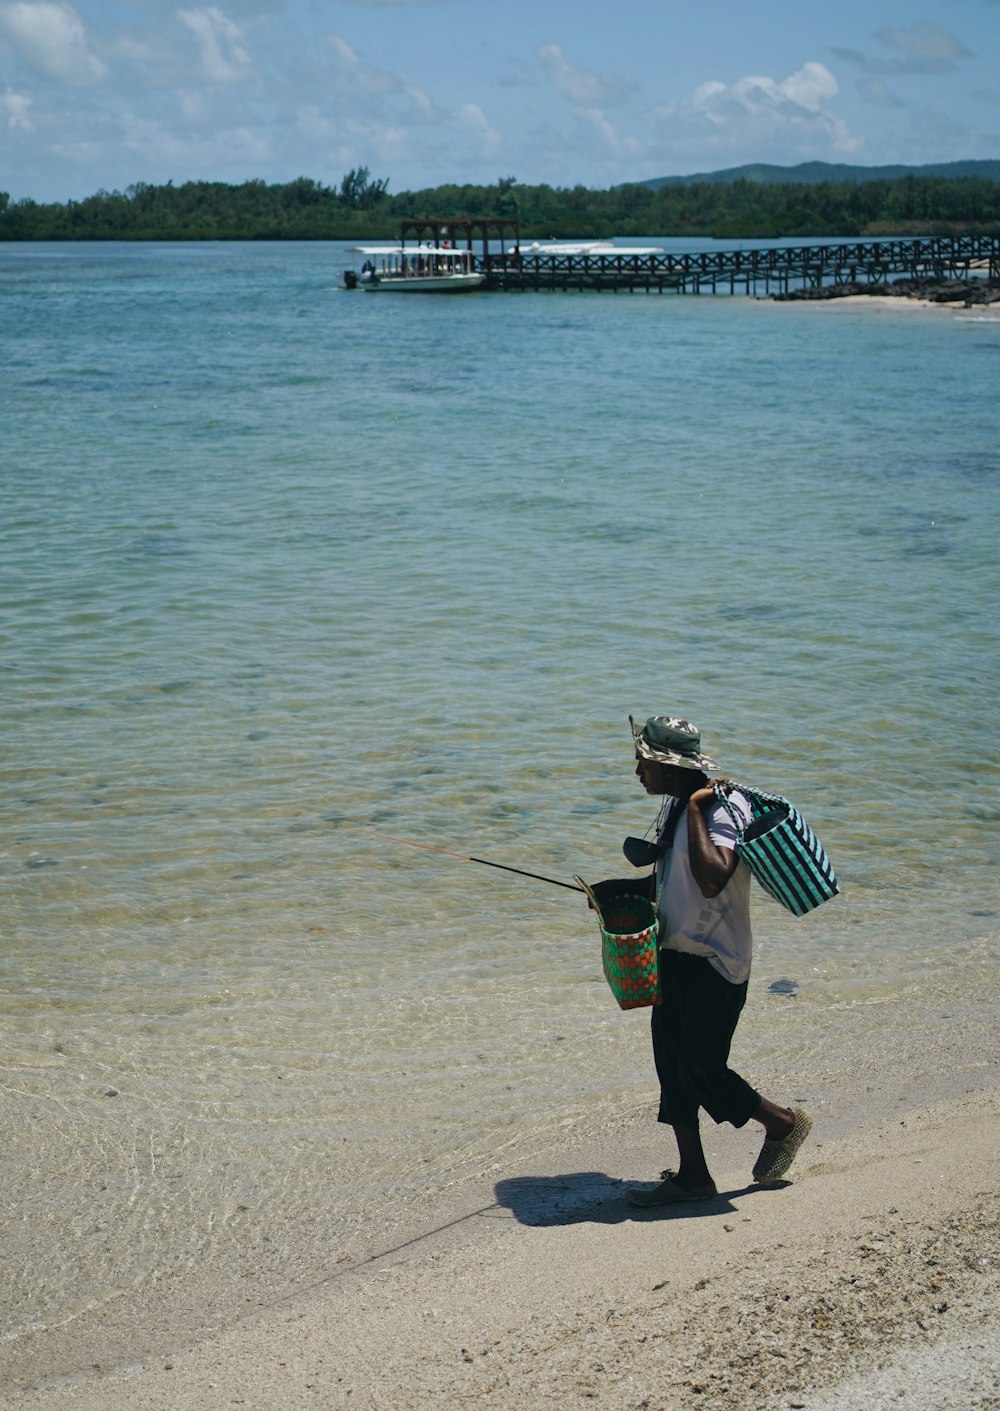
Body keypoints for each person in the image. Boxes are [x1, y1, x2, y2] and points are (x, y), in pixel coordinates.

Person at [624, 714, 812, 1206]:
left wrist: (696, 807)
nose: (636, 770)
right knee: (671, 1066)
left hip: (715, 961)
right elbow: (674, 881)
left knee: (703, 1069)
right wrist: (616, 895)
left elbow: (712, 878)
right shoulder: (679, 806)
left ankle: (784, 1123)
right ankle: (694, 1177)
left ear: (668, 765)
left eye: (643, 761)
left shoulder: (721, 807)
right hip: (673, 954)